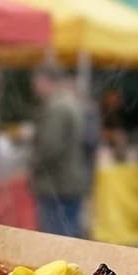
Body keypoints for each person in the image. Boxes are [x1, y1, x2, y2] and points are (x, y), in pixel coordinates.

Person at [29, 66, 87, 237]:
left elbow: (50, 147)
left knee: (55, 237)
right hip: (68, 181)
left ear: (47, 81)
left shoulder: (56, 107)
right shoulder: (70, 103)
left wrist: (33, 165)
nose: (34, 87)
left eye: (36, 82)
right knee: (69, 234)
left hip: (56, 184)